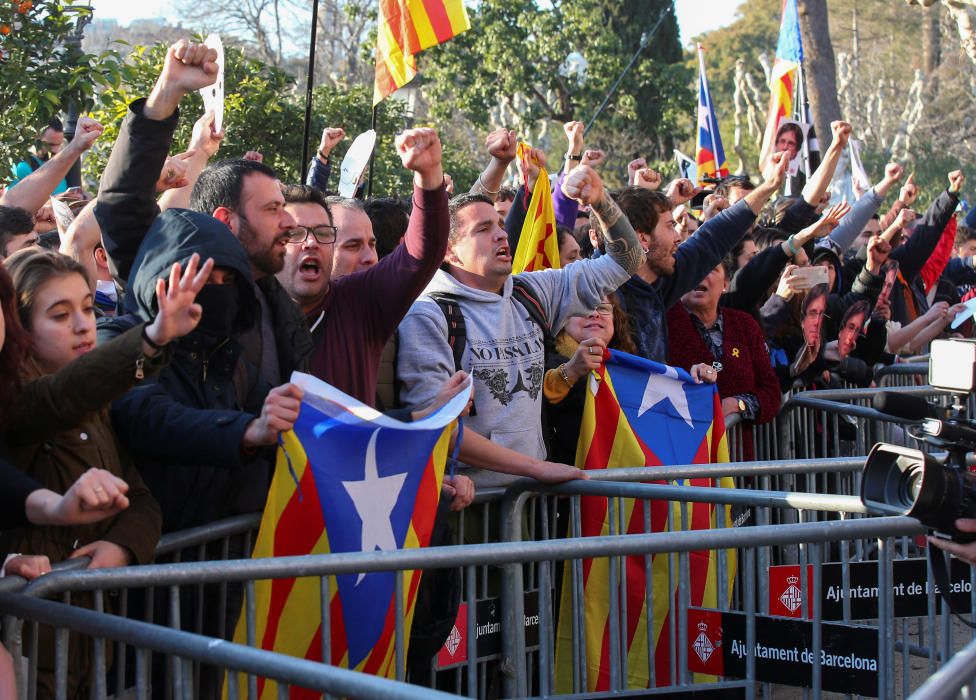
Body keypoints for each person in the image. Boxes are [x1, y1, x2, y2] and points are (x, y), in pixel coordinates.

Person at [3, 247, 208, 698]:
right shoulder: (16, 405)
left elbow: (140, 499)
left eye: (87, 308)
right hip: (27, 648)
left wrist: (121, 545)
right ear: (17, 329)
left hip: (87, 647)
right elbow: (59, 397)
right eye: (59, 315)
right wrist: (151, 338)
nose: (83, 325)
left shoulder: (99, 409)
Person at [396, 164, 644, 486]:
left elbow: (628, 260)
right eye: (483, 229)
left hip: (532, 501)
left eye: (500, 225)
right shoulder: (428, 316)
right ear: (449, 252)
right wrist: (535, 468)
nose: (501, 233)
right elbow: (435, 425)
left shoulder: (532, 292)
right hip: (471, 507)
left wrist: (600, 201)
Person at [275, 128, 449, 405]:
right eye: (296, 234)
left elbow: (420, 255)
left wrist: (429, 175)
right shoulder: (245, 313)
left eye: (323, 233)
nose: (311, 243)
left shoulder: (359, 304)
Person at [613, 151, 790, 363]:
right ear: (642, 238)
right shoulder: (601, 292)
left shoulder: (660, 283)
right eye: (670, 227)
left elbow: (713, 237)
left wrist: (770, 185)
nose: (678, 236)